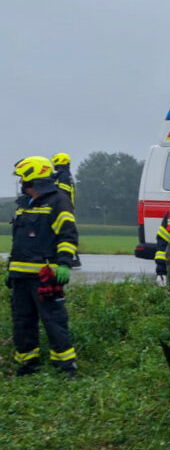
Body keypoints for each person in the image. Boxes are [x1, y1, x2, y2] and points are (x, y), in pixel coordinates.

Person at [8, 156, 78, 378]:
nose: (21, 182)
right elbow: (18, 241)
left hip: (45, 275)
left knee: (54, 321)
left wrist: (64, 264)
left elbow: (68, 235)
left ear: (33, 177)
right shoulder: (23, 204)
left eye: (22, 177)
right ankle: (27, 366)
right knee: (22, 322)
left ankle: (66, 367)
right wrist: (10, 270)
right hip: (20, 277)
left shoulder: (58, 201)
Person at [51, 153, 82, 267]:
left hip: (63, 208)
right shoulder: (64, 175)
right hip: (67, 207)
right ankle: (72, 258)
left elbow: (62, 192)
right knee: (64, 233)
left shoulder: (63, 176)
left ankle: (73, 258)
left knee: (64, 233)